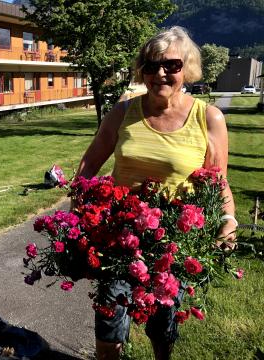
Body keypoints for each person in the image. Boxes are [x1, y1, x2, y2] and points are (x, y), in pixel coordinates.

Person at [73, 26, 237, 360]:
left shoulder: (209, 118)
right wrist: (81, 208)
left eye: (171, 65)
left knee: (162, 329)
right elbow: (89, 164)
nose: (159, 73)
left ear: (187, 68)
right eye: (150, 66)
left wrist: (228, 220)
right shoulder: (122, 112)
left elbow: (218, 182)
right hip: (116, 235)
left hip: (171, 240)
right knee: (108, 328)